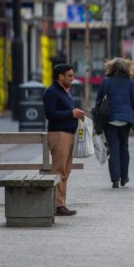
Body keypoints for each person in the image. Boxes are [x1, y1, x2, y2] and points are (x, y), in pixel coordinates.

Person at [95, 58, 134, 189]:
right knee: (124, 148)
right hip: (126, 121)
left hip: (109, 120)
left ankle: (115, 180)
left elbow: (98, 102)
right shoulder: (130, 83)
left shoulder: (106, 82)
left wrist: (97, 122)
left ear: (111, 68)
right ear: (126, 68)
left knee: (113, 149)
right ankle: (124, 177)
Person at [43, 64, 85, 216]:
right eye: (70, 76)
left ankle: (61, 203)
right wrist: (70, 113)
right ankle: (57, 205)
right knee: (59, 170)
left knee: (65, 171)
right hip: (59, 135)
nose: (72, 79)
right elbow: (50, 114)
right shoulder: (52, 92)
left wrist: (76, 114)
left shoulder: (65, 92)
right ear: (61, 76)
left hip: (68, 134)